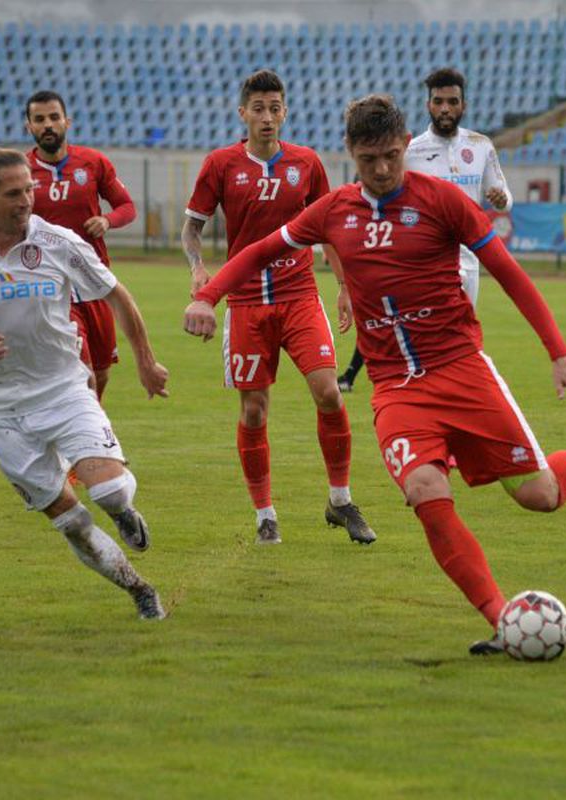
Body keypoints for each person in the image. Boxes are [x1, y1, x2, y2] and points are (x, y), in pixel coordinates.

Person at [183, 95, 566, 654]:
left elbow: (508, 273)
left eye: (389, 156)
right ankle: (503, 620)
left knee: (538, 495)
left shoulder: (443, 202)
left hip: (462, 370)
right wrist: (209, 296)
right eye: (367, 159)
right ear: (351, 155)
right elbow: (260, 249)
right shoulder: (333, 210)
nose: (381, 170)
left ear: (406, 146)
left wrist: (560, 352)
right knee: (425, 488)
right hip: (397, 389)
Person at [0, 147, 170, 619]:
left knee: (110, 494)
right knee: (72, 522)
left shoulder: (58, 242)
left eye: (30, 189)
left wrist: (146, 361)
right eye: (15, 193)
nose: (28, 201)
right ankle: (139, 589)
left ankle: (124, 513)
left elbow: (116, 294)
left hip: (62, 388)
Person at [182, 69, 375, 547]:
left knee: (329, 391)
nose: (267, 118)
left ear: (285, 112)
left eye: (275, 109)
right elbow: (192, 230)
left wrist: (345, 288)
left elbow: (330, 230)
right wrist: (197, 267)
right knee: (254, 410)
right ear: (242, 113)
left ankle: (340, 499)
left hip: (298, 295)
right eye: (259, 109)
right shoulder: (220, 164)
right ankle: (265, 514)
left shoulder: (306, 164)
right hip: (246, 303)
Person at [337, 68, 512, 393]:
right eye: (438, 101)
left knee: (456, 339)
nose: (445, 108)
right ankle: (400, 387)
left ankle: (445, 395)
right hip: (415, 254)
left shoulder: (481, 146)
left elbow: (502, 199)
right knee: (401, 323)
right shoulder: (410, 150)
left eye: (452, 101)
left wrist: (502, 198)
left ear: (464, 105)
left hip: (467, 258)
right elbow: (375, 189)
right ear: (428, 104)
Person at [25, 90, 136, 401]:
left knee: (101, 372)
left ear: (67, 122)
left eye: (53, 117)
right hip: (51, 285)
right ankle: (82, 436)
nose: (48, 125)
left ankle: (88, 431)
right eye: (39, 119)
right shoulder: (21, 172)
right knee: (80, 372)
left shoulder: (93, 162)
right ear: (29, 127)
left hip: (94, 280)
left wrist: (107, 221)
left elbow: (127, 206)